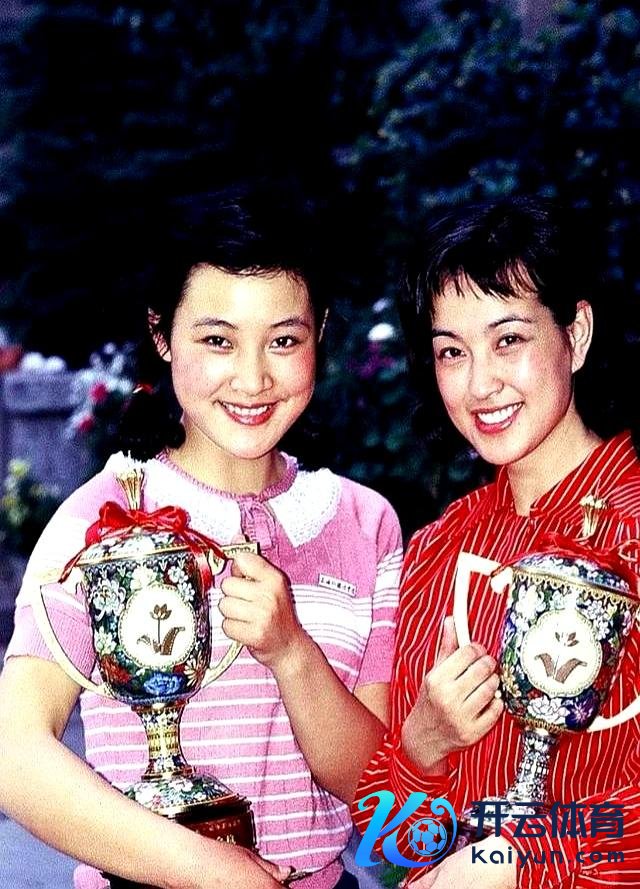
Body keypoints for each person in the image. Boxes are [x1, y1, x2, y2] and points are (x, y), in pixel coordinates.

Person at [0, 187, 402, 889]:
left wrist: (292, 652)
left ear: (321, 333)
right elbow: (14, 751)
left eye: (284, 340)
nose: (252, 377)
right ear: (162, 335)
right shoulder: (102, 518)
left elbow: (376, 783)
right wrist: (210, 869)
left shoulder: (364, 522)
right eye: (217, 340)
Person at [351, 196, 640, 888]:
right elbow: (387, 849)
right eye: (452, 352)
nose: (480, 384)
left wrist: (510, 859)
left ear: (576, 334)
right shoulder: (436, 550)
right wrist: (422, 744)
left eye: (508, 339)